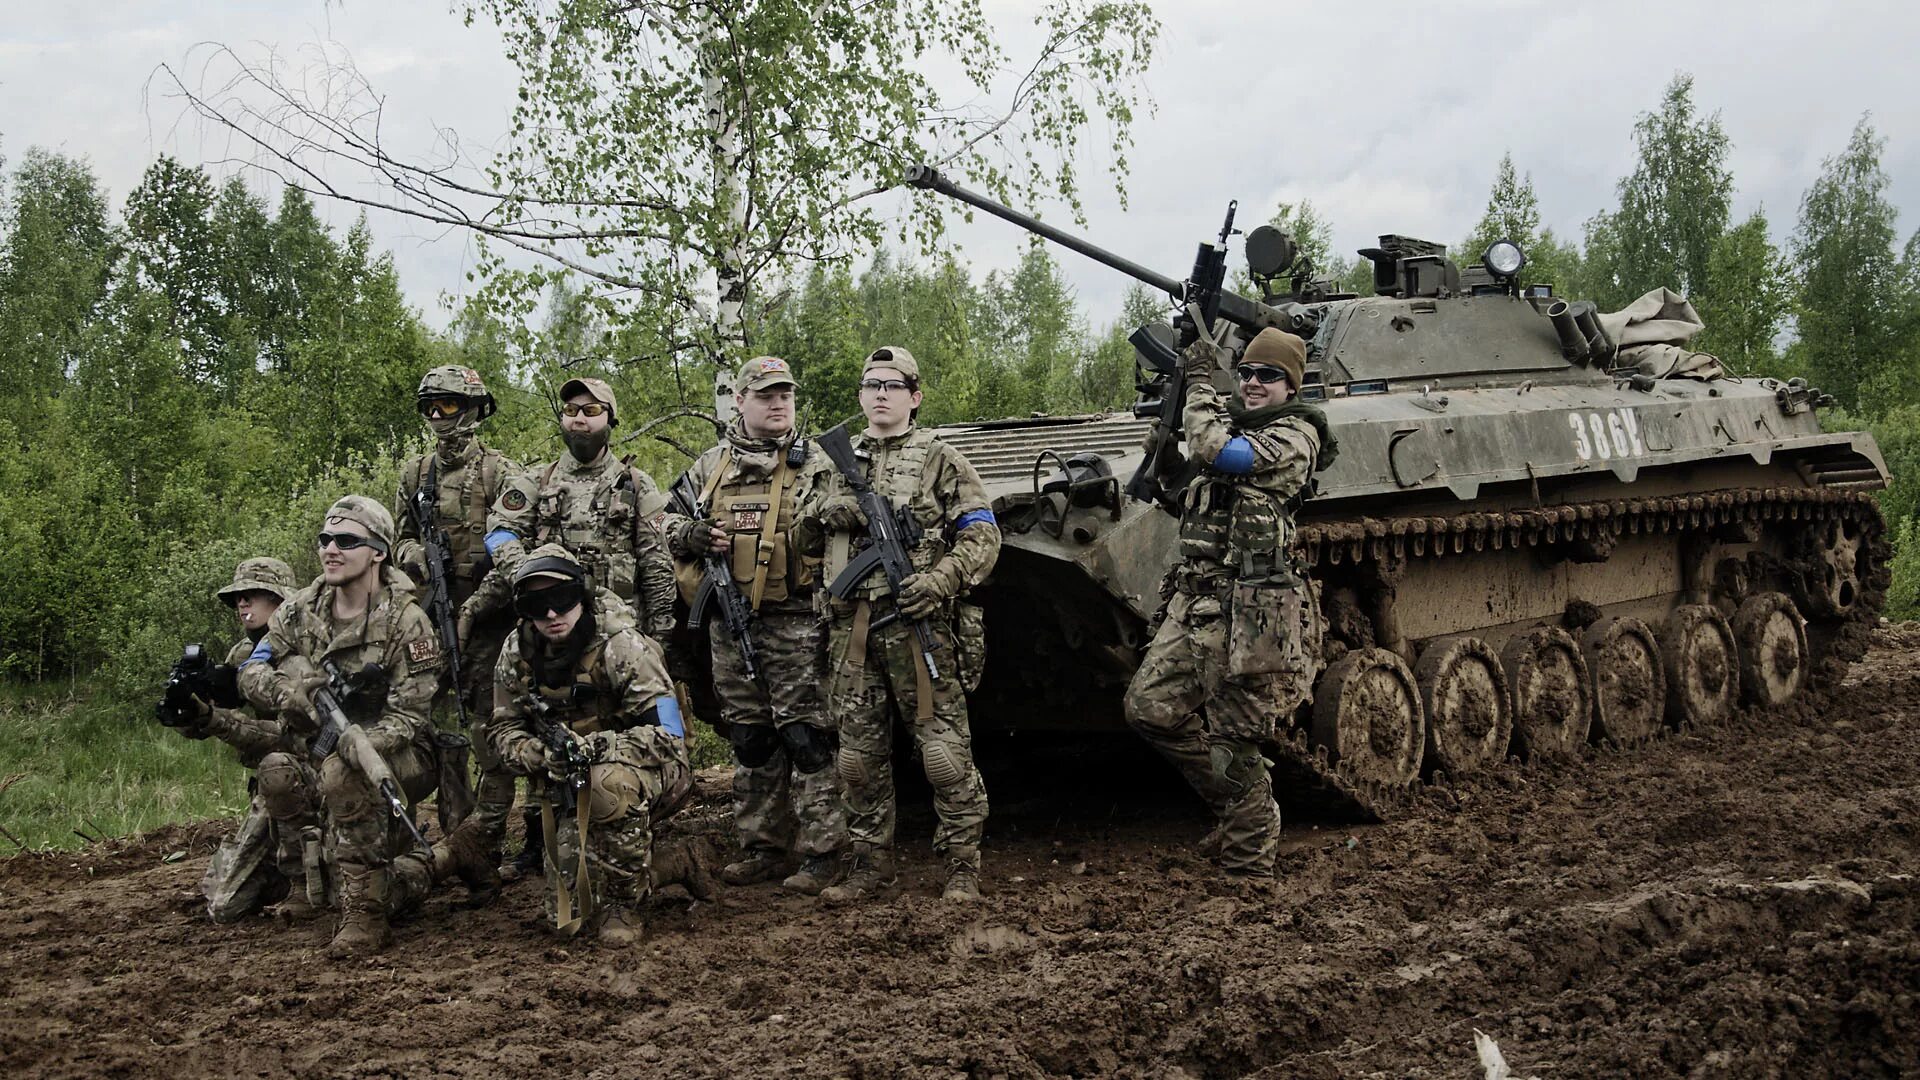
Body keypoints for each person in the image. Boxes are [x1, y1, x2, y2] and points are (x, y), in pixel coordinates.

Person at [1122, 327, 1332, 881]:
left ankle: (1250, 864)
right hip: (1194, 605)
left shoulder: (1294, 437)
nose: (1253, 383)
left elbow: (1223, 453)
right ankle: (1238, 812)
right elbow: (1192, 492)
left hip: (1247, 611)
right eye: (1246, 373)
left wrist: (1197, 384)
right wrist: (1166, 459)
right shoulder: (1232, 427)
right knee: (1150, 709)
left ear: (1292, 385)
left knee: (1234, 739)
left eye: (1268, 376)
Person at [793, 346, 999, 904]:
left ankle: (961, 865)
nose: (880, 393)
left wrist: (940, 581)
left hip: (916, 628)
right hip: (850, 633)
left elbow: (983, 535)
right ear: (860, 395)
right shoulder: (829, 463)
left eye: (893, 384)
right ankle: (868, 864)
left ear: (915, 395)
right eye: (871, 384)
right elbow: (799, 540)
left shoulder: (941, 458)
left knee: (944, 754)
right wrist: (822, 513)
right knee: (857, 759)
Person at [462, 374, 677, 880]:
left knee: (626, 730)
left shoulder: (635, 484)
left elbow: (657, 560)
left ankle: (633, 828)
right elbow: (498, 533)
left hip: (616, 637)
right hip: (550, 634)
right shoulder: (536, 480)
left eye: (592, 409)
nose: (580, 418)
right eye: (572, 410)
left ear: (610, 420)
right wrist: (528, 575)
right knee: (548, 727)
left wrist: (660, 637)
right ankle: (543, 837)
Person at [662, 355, 847, 894]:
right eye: (766, 395)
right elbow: (664, 519)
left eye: (785, 395)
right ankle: (763, 847)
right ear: (739, 401)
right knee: (750, 738)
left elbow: (849, 516)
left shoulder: (818, 464)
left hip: (798, 622)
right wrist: (690, 536)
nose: (778, 404)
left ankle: (822, 852)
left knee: (807, 735)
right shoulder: (711, 468)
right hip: (730, 623)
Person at [238, 496, 447, 956]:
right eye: (325, 539)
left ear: (378, 552)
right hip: (321, 745)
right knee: (276, 768)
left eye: (347, 541)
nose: (331, 549)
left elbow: (412, 717)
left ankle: (367, 912)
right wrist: (287, 694)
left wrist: (361, 742)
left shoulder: (407, 621)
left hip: (400, 755)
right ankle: (303, 885)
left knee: (344, 772)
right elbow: (251, 670)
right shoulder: (299, 609)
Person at [488, 544, 714, 944]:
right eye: (537, 605)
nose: (552, 614)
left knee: (606, 786)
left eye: (562, 599)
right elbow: (502, 731)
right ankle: (673, 864)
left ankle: (625, 906)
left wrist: (595, 749)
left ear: (583, 594)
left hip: (648, 771)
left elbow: (670, 737)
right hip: (565, 784)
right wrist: (537, 755)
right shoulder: (516, 652)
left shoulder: (623, 646)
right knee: (567, 915)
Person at [394, 365, 520, 890]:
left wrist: (472, 611)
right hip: (428, 618)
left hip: (488, 620)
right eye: (430, 407)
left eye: (447, 406)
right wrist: (415, 556)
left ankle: (482, 841)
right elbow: (394, 544)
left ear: (471, 410)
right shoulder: (414, 475)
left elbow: (512, 551)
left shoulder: (500, 474)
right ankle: (436, 835)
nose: (438, 417)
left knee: (487, 730)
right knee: (420, 724)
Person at [157, 557, 323, 923]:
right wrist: (189, 712)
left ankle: (306, 881)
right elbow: (211, 723)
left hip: (312, 783)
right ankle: (286, 872)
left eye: (252, 595)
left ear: (280, 600)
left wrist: (216, 721)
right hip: (271, 793)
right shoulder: (243, 656)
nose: (242, 604)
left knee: (278, 769)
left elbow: (286, 738)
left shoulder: (300, 659)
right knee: (223, 903)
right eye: (237, 598)